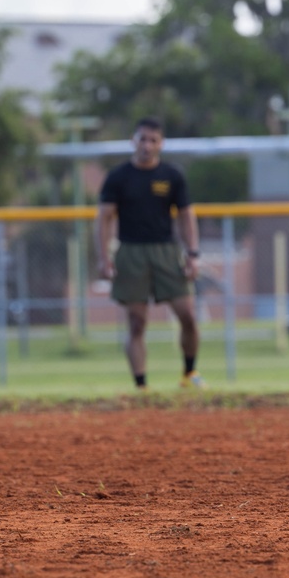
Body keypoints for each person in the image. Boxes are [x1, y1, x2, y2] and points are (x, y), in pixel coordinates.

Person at [95, 116, 203, 391]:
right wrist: (104, 256)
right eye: (142, 139)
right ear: (134, 141)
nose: (147, 145)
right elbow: (105, 218)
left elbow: (186, 216)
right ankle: (141, 386)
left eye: (153, 140)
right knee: (136, 321)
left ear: (161, 144)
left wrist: (192, 254)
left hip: (166, 251)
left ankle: (189, 374)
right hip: (131, 251)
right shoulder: (118, 177)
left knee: (187, 314)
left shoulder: (172, 176)